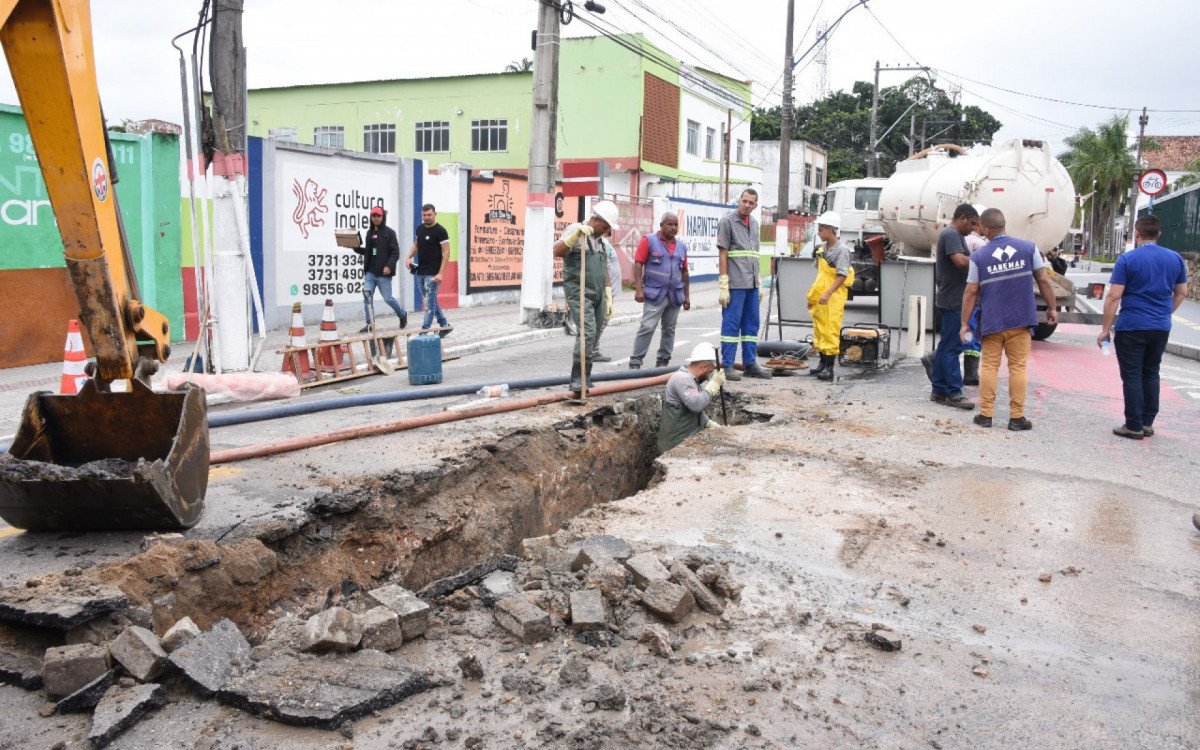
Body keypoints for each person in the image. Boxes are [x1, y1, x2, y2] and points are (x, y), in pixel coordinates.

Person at [960, 208, 1058, 431]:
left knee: (989, 367)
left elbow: (971, 292)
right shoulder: (1029, 248)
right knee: (1018, 368)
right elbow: (1043, 280)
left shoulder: (978, 257)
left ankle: (985, 415)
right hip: (1020, 320)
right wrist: (1052, 308)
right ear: (1003, 225)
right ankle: (1016, 418)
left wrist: (965, 323)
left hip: (992, 322)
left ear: (986, 229)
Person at [1097, 214, 1188, 440]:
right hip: (1160, 327)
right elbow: (1182, 293)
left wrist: (1105, 329)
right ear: (1159, 234)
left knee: (1132, 375)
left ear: (1136, 233)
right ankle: (1147, 423)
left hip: (1132, 326)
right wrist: (1164, 313)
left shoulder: (1127, 260)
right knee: (1151, 372)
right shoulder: (1175, 259)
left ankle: (1133, 425)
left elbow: (1113, 297)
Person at [553, 200, 619, 394]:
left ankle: (586, 377)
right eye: (605, 227)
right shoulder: (576, 230)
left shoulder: (601, 242)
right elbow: (557, 251)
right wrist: (575, 237)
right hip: (579, 290)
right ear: (596, 220)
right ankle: (577, 378)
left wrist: (608, 295)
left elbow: (605, 269)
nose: (607, 231)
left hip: (597, 292)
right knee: (587, 331)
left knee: (596, 332)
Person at [717, 188, 773, 380]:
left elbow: (754, 255)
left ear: (756, 205)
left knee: (751, 326)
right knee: (731, 326)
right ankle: (727, 365)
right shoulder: (727, 222)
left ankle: (750, 364)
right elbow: (723, 254)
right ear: (739, 200)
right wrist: (723, 284)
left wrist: (759, 282)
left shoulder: (755, 224)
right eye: (744, 201)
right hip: (735, 284)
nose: (747, 205)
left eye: (751, 203)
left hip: (752, 284)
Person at [928, 204, 978, 408]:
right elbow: (960, 261)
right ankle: (954, 392)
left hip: (951, 298)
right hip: (954, 300)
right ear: (962, 218)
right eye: (972, 223)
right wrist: (982, 259)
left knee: (946, 346)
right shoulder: (951, 235)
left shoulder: (954, 235)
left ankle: (939, 389)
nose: (973, 228)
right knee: (953, 347)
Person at [629, 212, 690, 370]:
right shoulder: (649, 241)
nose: (673, 227)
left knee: (669, 329)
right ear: (661, 225)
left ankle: (663, 360)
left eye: (676, 225)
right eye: (670, 224)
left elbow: (684, 271)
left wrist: (687, 296)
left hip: (675, 295)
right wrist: (638, 289)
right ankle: (636, 361)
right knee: (647, 326)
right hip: (654, 294)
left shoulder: (682, 247)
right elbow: (638, 263)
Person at [805, 211, 854, 382]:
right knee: (820, 329)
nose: (818, 232)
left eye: (821, 229)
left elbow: (842, 275)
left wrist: (828, 293)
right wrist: (812, 297)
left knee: (830, 330)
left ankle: (829, 368)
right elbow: (821, 276)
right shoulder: (822, 249)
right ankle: (822, 364)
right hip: (821, 296)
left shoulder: (842, 251)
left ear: (830, 230)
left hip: (833, 297)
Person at [656, 342, 725, 452]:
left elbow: (692, 411)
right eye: (710, 372)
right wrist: (713, 385)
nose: (708, 377)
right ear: (703, 367)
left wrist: (708, 423)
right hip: (674, 446)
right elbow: (696, 405)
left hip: (683, 441)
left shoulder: (691, 380)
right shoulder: (682, 379)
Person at [355, 206, 407, 331]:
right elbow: (368, 251)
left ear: (383, 217)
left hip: (383, 274)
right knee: (367, 298)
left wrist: (389, 266)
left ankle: (402, 314)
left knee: (388, 299)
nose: (376, 218)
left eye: (378, 216)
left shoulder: (390, 233)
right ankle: (370, 325)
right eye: (373, 216)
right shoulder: (370, 233)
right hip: (370, 273)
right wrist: (355, 248)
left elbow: (395, 253)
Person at [405, 203, 452, 337]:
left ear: (435, 214)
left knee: (429, 305)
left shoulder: (440, 231)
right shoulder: (420, 228)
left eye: (429, 215)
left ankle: (424, 331)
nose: (427, 217)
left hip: (433, 273)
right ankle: (445, 325)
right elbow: (416, 245)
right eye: (424, 215)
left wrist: (440, 273)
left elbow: (447, 253)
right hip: (421, 271)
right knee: (430, 300)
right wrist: (408, 257)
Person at [961, 207, 989, 386]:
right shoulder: (980, 244)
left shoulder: (963, 239)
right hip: (974, 294)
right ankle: (971, 374)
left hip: (962, 293)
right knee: (971, 333)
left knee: (964, 331)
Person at [589, 227, 621, 362]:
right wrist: (606, 290)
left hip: (607, 288)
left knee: (602, 319)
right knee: (601, 319)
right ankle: (592, 351)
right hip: (604, 288)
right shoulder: (603, 243)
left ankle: (592, 349)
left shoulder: (604, 242)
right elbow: (603, 266)